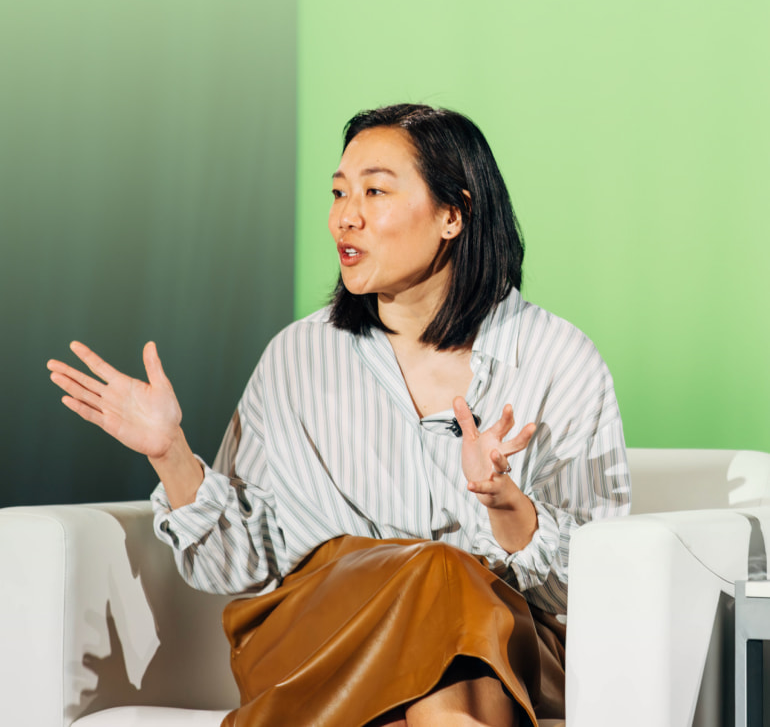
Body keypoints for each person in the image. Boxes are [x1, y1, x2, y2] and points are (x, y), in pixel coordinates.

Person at [48, 103, 631, 727]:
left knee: (451, 607)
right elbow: (235, 566)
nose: (343, 218)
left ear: (453, 214)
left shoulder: (555, 358)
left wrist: (505, 504)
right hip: (320, 641)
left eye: (374, 191)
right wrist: (170, 455)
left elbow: (599, 586)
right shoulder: (299, 356)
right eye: (337, 192)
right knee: (438, 579)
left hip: (507, 644)